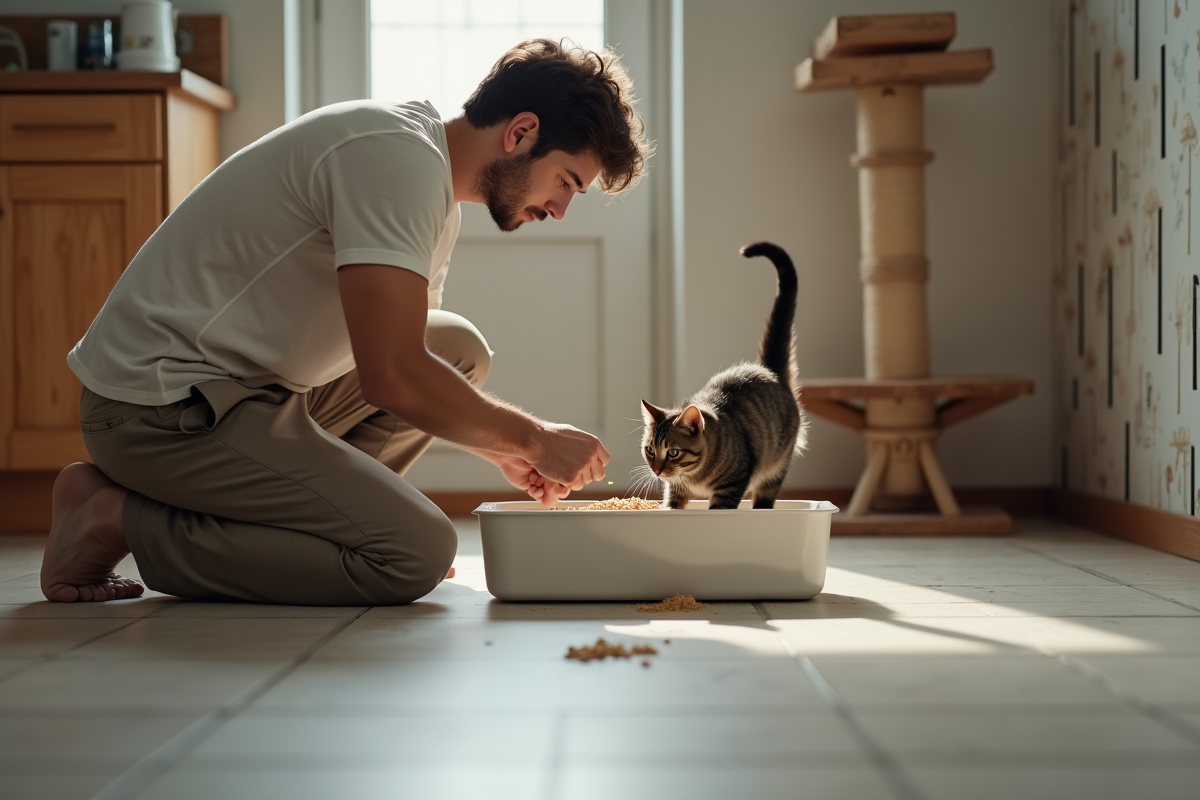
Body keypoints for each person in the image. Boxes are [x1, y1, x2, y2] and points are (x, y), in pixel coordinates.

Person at [41, 38, 649, 605]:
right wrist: (534, 439)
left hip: (248, 393)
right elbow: (394, 377)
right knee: (413, 554)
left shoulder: (428, 185)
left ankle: (331, 525)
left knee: (457, 348)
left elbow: (402, 369)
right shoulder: (395, 163)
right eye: (566, 181)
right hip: (159, 410)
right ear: (521, 133)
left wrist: (498, 451)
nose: (560, 209)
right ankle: (110, 516)